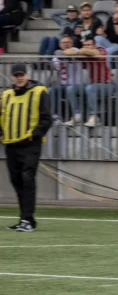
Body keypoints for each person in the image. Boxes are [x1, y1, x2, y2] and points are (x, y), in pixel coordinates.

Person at [1, 63, 53, 232]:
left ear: (27, 75)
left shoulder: (39, 92)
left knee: (27, 179)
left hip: (30, 144)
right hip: (11, 144)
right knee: (17, 181)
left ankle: (28, 220)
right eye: (16, 75)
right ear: (12, 77)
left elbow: (47, 118)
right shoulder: (6, 95)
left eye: (21, 74)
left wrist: (35, 134)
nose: (19, 77)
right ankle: (24, 219)